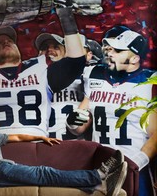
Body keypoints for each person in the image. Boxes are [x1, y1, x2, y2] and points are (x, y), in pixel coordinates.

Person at [0, 7, 87, 136]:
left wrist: (66, 16)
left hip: (35, 144)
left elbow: (76, 62)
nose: (5, 43)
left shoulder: (39, 70)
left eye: (10, 41)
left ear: (19, 52)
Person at [0, 105, 127, 196]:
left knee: (45, 175)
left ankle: (98, 187)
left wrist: (41, 137)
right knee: (44, 172)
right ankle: (99, 175)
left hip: (2, 168)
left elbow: (18, 137)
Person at [66, 28, 157, 196]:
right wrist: (72, 122)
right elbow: (79, 127)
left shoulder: (149, 82)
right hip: (99, 164)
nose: (110, 54)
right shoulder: (95, 75)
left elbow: (155, 134)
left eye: (118, 50)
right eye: (109, 49)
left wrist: (135, 163)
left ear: (135, 58)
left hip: (133, 166)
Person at [34, 33, 103, 140]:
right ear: (39, 54)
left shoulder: (86, 75)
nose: (50, 50)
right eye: (44, 48)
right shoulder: (27, 80)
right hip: (38, 146)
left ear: (66, 52)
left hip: (74, 146)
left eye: (56, 47)